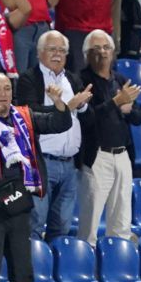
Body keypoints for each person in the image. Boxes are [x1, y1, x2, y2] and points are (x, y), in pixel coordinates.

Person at [0, 72, 77, 282]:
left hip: (18, 205)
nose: (3, 93)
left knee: (23, 275)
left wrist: (58, 102)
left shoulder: (25, 116)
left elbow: (58, 123)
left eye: (7, 88)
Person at [15, 30, 92, 241]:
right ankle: (34, 271)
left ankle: (55, 271)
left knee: (63, 226)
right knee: (36, 222)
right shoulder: (28, 79)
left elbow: (89, 118)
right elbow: (29, 113)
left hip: (70, 165)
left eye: (62, 50)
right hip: (42, 163)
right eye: (52, 49)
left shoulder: (73, 79)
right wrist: (67, 107)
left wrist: (82, 106)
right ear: (39, 53)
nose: (57, 54)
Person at [77, 29, 141, 246]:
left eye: (106, 47)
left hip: (123, 154)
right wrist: (116, 103)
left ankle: (117, 266)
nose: (102, 52)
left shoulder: (121, 80)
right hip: (97, 156)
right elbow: (88, 118)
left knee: (122, 221)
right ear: (86, 54)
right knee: (90, 222)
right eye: (96, 49)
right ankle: (85, 268)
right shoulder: (81, 81)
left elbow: (139, 117)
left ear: (114, 52)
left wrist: (129, 109)